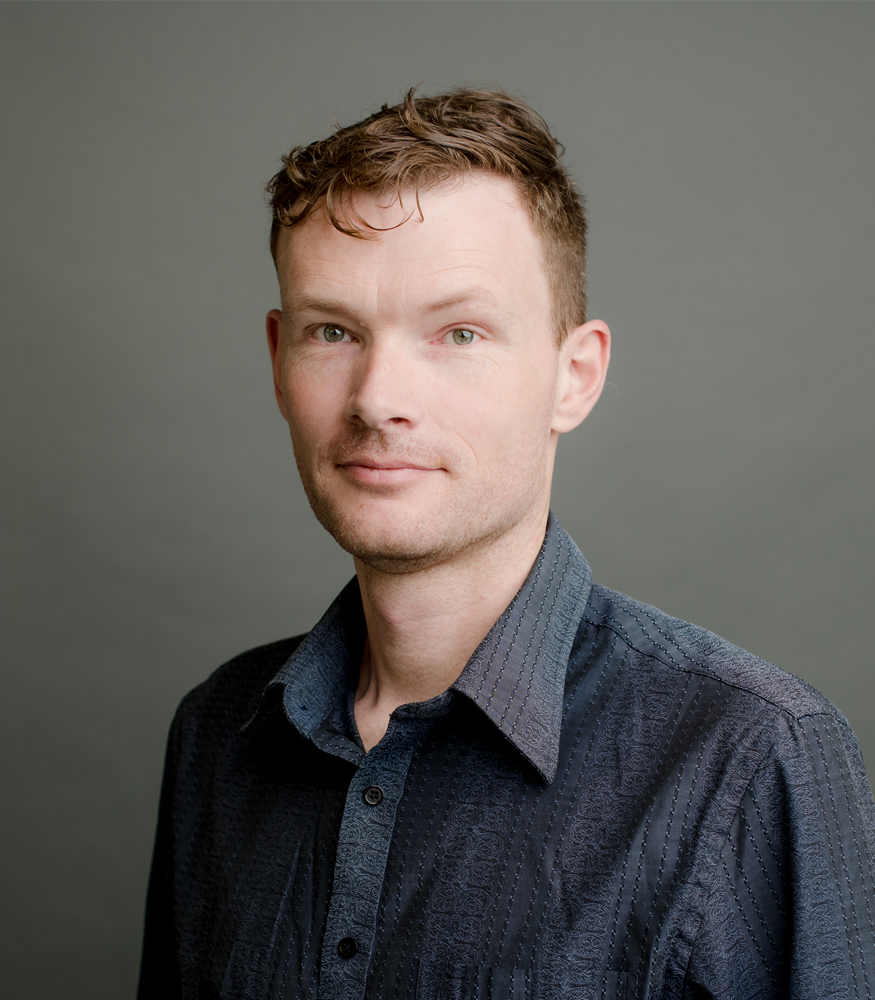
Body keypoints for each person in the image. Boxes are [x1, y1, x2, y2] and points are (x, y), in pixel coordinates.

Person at [138, 89, 875, 1000]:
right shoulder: (217, 733)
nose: (377, 399)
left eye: (458, 333)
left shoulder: (752, 756)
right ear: (278, 361)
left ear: (575, 377)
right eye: (333, 331)